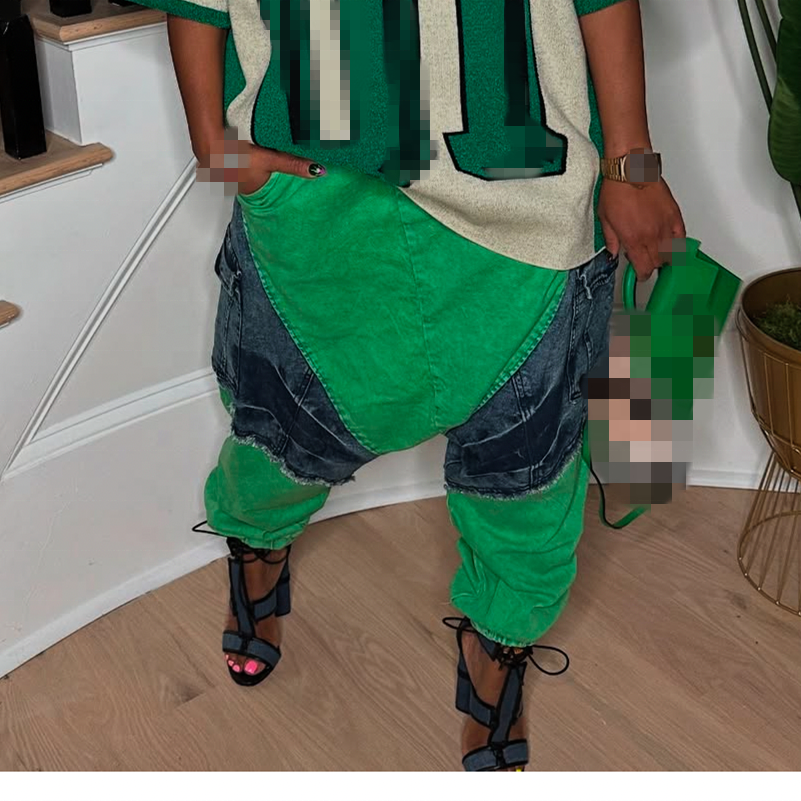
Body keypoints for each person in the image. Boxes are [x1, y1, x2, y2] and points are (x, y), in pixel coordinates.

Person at [136, 0, 685, 771]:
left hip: (528, 199)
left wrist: (631, 161)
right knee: (281, 441)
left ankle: (498, 642)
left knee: (526, 478)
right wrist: (212, 143)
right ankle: (256, 546)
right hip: (321, 196)